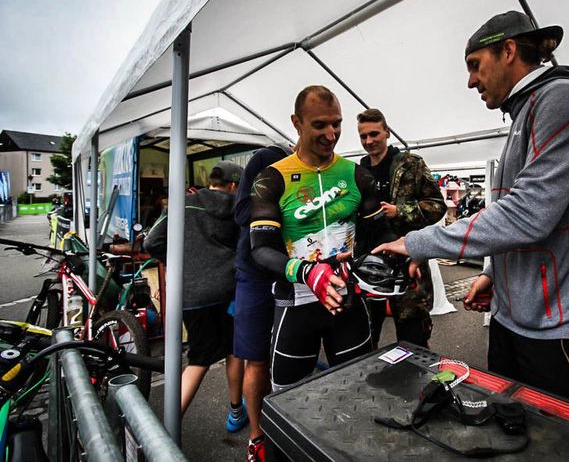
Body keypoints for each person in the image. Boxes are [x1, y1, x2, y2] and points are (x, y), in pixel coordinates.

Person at [375, 10, 569, 419]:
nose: (470, 81)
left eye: (475, 65)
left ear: (509, 50)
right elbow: (512, 213)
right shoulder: (524, 113)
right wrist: (493, 273)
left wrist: (416, 242)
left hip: (567, 332)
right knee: (517, 435)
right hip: (517, 324)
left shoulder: (563, 98)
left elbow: (528, 213)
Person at [248, 85, 395, 393]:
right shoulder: (272, 178)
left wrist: (399, 257)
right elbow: (261, 250)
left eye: (336, 124)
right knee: (289, 399)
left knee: (360, 391)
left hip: (347, 301)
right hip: (297, 304)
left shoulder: (356, 174)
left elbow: (380, 232)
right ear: (296, 123)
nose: (331, 134)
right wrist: (308, 272)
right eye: (320, 125)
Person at [144, 161, 247, 428]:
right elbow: (246, 249)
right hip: (227, 292)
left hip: (188, 293)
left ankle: (169, 428)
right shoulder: (238, 207)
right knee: (231, 352)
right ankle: (167, 431)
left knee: (202, 356)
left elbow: (151, 242)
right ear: (233, 185)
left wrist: (181, 261)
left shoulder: (182, 204)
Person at [356, 108, 446, 349]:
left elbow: (438, 206)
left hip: (407, 263)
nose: (369, 141)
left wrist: (400, 211)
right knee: (366, 339)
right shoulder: (358, 170)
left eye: (374, 134)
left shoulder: (410, 164)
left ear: (387, 132)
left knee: (413, 340)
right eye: (363, 136)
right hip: (370, 265)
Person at [232, 145, 292, 461]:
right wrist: (284, 205)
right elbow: (242, 212)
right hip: (255, 277)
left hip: (293, 275)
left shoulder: (319, 169)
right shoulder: (267, 158)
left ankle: (289, 431)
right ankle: (256, 438)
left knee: (290, 359)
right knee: (256, 360)